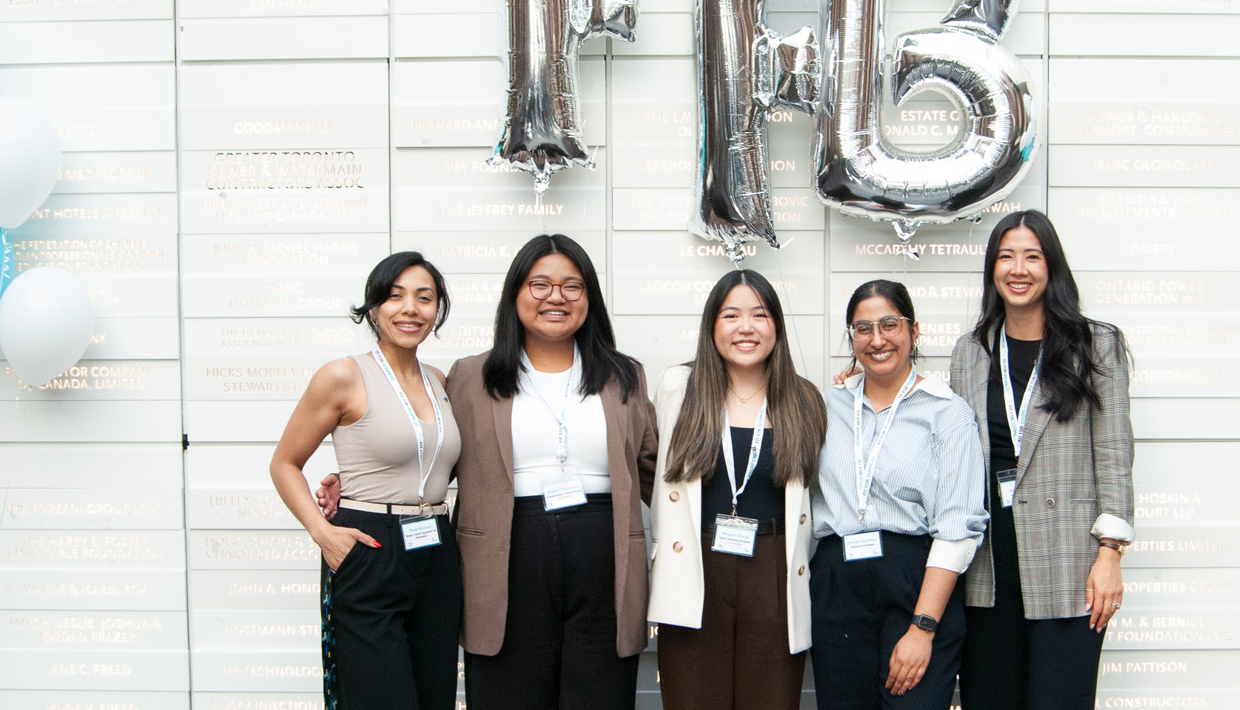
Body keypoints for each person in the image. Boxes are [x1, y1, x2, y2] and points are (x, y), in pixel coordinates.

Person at [441, 234, 657, 710]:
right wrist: (358, 486)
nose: (555, 297)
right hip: (507, 551)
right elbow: (434, 452)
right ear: (514, 293)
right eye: (539, 284)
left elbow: (655, 470)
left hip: (605, 549)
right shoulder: (470, 377)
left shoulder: (625, 376)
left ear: (589, 298)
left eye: (571, 286)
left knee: (599, 695)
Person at [951, 210, 1134, 710]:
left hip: (1068, 567)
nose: (1019, 268)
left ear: (1052, 267)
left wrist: (1110, 554)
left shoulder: (1096, 345)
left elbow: (1115, 455)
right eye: (1006, 256)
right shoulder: (970, 352)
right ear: (992, 269)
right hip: (986, 571)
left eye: (1032, 256)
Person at [271, 251, 464, 710]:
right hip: (370, 546)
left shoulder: (440, 380)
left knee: (434, 697)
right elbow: (284, 463)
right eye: (395, 296)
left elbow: (431, 460)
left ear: (437, 310)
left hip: (436, 546)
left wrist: (345, 474)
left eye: (424, 297)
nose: (410, 309)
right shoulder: (342, 375)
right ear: (374, 308)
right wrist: (324, 534)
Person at [647, 270, 827, 710]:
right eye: (731, 315)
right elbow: (653, 471)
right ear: (712, 326)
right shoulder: (679, 387)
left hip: (775, 571)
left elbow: (817, 494)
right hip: (694, 564)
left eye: (759, 315)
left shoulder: (804, 399)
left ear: (777, 327)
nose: (745, 328)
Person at [810, 279, 987, 710]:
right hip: (838, 586)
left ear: (914, 330)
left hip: (915, 582)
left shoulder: (948, 413)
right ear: (851, 338)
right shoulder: (827, 405)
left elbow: (958, 529)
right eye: (862, 328)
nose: (877, 339)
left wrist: (923, 627)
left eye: (890, 324)